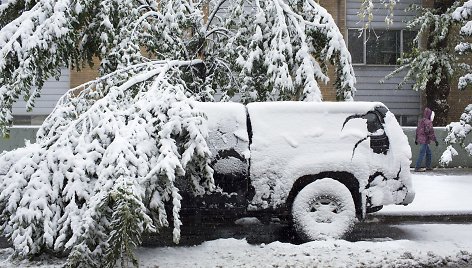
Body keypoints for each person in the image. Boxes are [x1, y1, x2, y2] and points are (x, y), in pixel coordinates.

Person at [414, 107, 438, 171]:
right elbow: (430, 132)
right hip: (424, 140)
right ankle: (417, 167)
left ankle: (428, 166)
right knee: (422, 153)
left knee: (428, 153)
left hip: (422, 140)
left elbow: (417, 130)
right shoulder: (428, 122)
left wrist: (416, 139)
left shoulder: (421, 121)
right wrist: (435, 140)